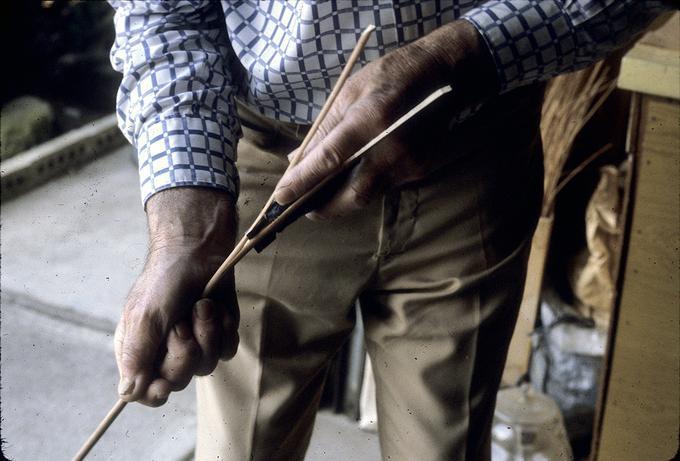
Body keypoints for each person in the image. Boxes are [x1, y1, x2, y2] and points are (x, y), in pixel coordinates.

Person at [107, 2, 672, 460]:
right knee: (242, 447)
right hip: (273, 162)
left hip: (475, 137)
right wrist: (186, 227)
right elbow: (162, 13)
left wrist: (467, 56)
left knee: (443, 446)